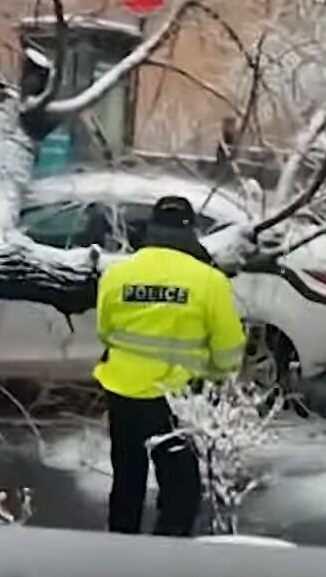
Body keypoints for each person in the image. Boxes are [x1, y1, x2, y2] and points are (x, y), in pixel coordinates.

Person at [94, 196, 246, 536]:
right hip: (175, 401)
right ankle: (167, 555)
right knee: (180, 488)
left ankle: (118, 547)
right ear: (190, 231)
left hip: (122, 393)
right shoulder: (209, 281)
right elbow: (229, 349)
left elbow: (105, 330)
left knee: (127, 478)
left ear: (152, 229)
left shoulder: (117, 274)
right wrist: (214, 377)